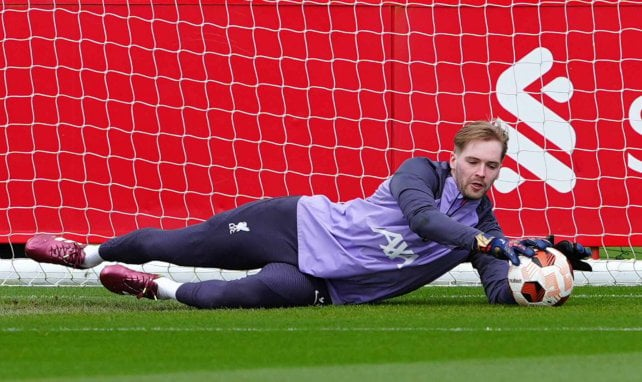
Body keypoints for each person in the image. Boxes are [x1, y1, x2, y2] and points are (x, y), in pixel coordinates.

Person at [24, 120, 591, 308]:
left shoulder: (484, 226)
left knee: (229, 300)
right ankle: (88, 253)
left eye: (492, 167)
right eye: (474, 161)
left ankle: (155, 290)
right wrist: (488, 244)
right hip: (294, 223)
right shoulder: (420, 172)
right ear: (455, 157)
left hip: (324, 282)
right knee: (183, 241)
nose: (481, 174)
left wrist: (542, 261)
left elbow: (499, 286)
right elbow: (422, 221)